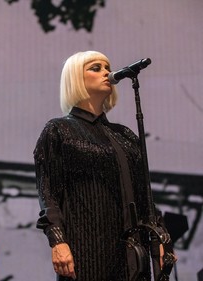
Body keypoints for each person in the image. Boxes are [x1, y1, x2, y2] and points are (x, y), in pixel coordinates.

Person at [34, 51, 168, 280]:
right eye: (96, 68)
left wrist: (159, 236)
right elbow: (48, 192)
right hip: (86, 250)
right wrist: (58, 241)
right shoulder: (58, 130)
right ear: (76, 78)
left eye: (107, 67)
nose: (106, 72)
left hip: (133, 253)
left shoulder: (124, 135)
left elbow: (144, 193)